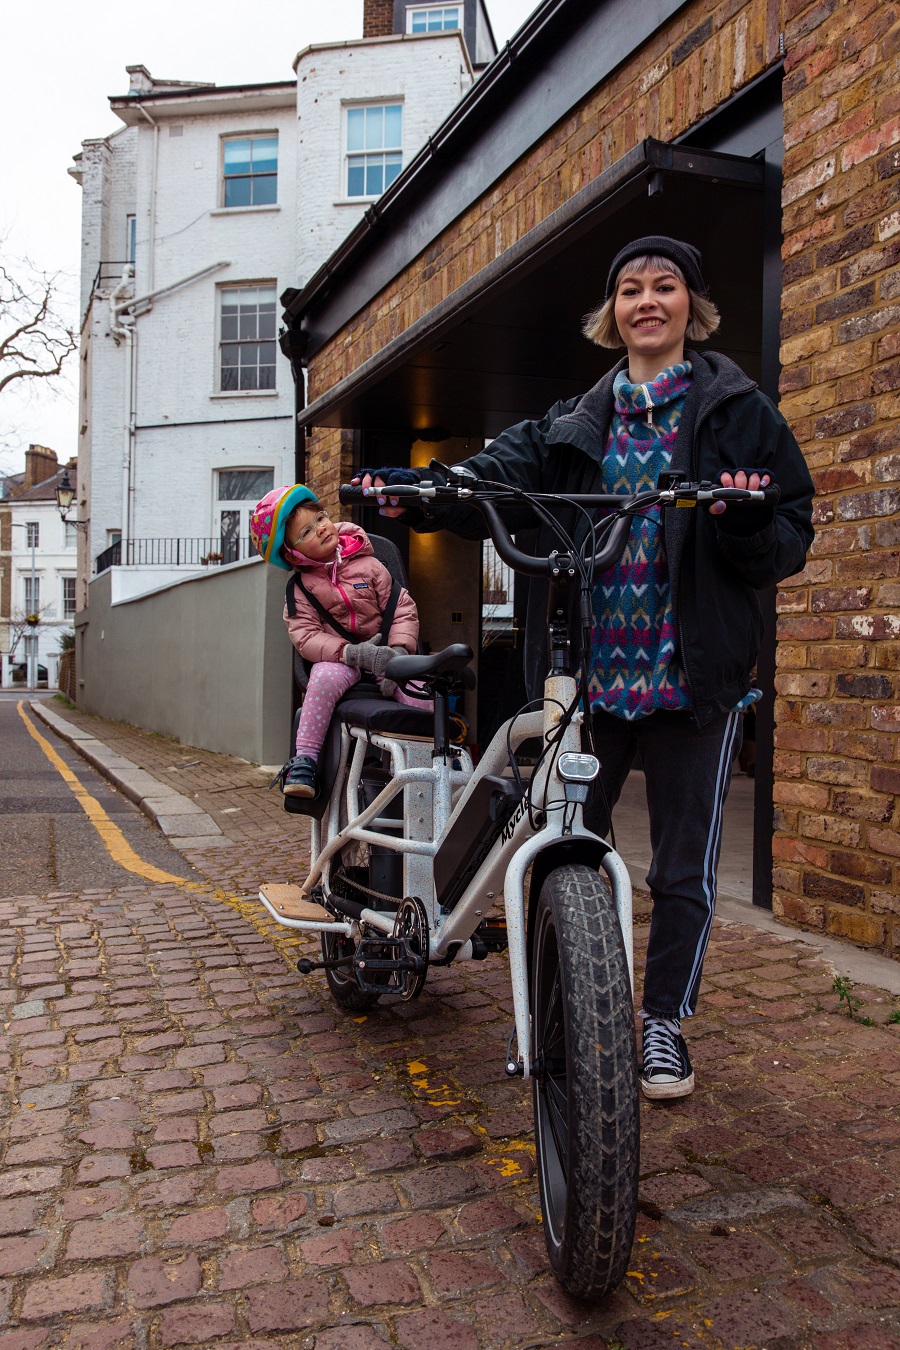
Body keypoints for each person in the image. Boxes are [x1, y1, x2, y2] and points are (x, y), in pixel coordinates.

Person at [355, 235, 814, 1101]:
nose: (648, 302)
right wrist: (426, 487)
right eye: (632, 288)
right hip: (591, 681)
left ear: (691, 307)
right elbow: (493, 476)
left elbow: (790, 530)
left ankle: (663, 1024)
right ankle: (572, 1006)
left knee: (684, 869)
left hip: (694, 678)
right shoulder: (573, 422)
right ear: (614, 313)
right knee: (567, 848)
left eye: (666, 287)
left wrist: (748, 521)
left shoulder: (740, 413)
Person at [251, 483, 428, 799]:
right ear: (292, 553)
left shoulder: (370, 564)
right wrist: (352, 653)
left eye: (319, 518)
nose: (319, 530)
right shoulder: (301, 589)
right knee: (322, 678)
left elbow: (401, 608)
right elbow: (305, 636)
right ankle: (305, 760)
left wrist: (399, 653)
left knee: (421, 688)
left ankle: (429, 762)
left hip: (388, 653)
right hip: (343, 659)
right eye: (304, 533)